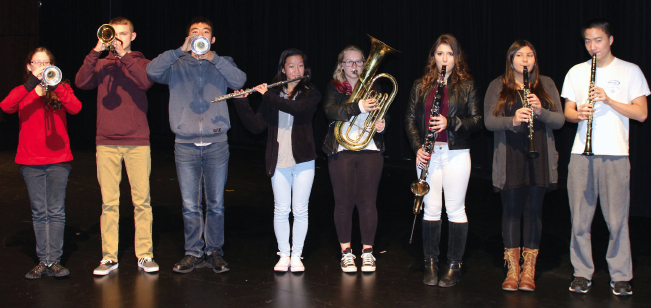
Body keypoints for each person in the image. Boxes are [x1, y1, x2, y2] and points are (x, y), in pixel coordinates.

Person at [147, 16, 246, 274]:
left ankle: (214, 251)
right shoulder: (176, 63)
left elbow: (238, 80)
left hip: (216, 143)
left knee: (215, 203)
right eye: (194, 31)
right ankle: (193, 251)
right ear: (188, 37)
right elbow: (151, 72)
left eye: (205, 32)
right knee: (190, 205)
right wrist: (180, 50)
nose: (199, 34)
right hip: (185, 144)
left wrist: (213, 57)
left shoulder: (222, 63)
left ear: (212, 39)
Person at [562, 18, 649, 296]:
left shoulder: (630, 71)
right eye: (587, 41)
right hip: (581, 154)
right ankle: (581, 273)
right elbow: (568, 113)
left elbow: (641, 113)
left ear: (610, 40)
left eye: (598, 40)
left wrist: (609, 100)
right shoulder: (576, 72)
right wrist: (580, 114)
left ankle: (621, 275)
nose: (592, 46)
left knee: (617, 220)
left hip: (615, 154)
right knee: (579, 219)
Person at [75, 17, 158, 275]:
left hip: (136, 141)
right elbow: (80, 82)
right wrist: (96, 50)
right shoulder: (101, 64)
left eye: (124, 33)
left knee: (141, 201)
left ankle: (144, 254)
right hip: (106, 142)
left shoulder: (142, 62)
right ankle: (109, 256)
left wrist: (124, 56)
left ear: (133, 36)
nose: (118, 37)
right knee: (109, 203)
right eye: (114, 33)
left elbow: (145, 82)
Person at [484, 40, 564, 292]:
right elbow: (488, 122)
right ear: (511, 60)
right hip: (510, 156)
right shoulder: (498, 84)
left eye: (529, 55)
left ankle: (529, 270)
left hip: (539, 155)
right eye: (519, 55)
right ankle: (512, 269)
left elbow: (560, 121)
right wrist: (512, 120)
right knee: (511, 210)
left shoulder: (547, 83)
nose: (525, 59)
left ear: (535, 59)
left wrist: (541, 111)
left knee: (534, 211)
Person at [232, 48, 321, 272]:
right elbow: (256, 126)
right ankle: (284, 254)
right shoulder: (272, 96)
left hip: (303, 161)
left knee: (300, 210)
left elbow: (296, 109)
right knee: (281, 209)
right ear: (283, 69)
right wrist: (241, 103)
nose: (296, 70)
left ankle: (297, 255)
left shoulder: (311, 93)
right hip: (278, 161)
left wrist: (268, 95)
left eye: (300, 66)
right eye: (291, 66)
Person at [405, 34, 482, 287]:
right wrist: (417, 147)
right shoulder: (420, 84)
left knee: (456, 209)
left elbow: (476, 121)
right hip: (427, 154)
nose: (444, 59)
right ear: (433, 57)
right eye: (439, 54)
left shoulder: (467, 84)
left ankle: (454, 265)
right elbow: (409, 120)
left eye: (449, 54)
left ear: (456, 57)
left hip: (456, 154)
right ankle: (430, 263)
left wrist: (451, 123)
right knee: (431, 209)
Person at [1, 47, 82, 279]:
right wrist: (30, 86)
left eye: (46, 62)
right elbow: (6, 106)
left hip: (58, 159)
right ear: (29, 66)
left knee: (55, 211)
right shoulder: (23, 91)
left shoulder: (61, 87)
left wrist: (57, 88)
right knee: (39, 212)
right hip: (30, 159)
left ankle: (54, 260)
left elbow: (76, 108)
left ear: (52, 66)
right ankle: (43, 259)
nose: (41, 66)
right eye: (37, 63)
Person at [323, 45, 386, 273]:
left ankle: (367, 252)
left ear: (365, 64)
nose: (354, 66)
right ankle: (346, 252)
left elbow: (383, 113)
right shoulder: (334, 88)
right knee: (343, 203)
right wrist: (358, 106)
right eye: (349, 62)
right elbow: (330, 111)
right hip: (341, 149)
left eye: (359, 62)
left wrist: (381, 124)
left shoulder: (373, 87)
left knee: (368, 203)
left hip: (369, 148)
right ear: (341, 65)